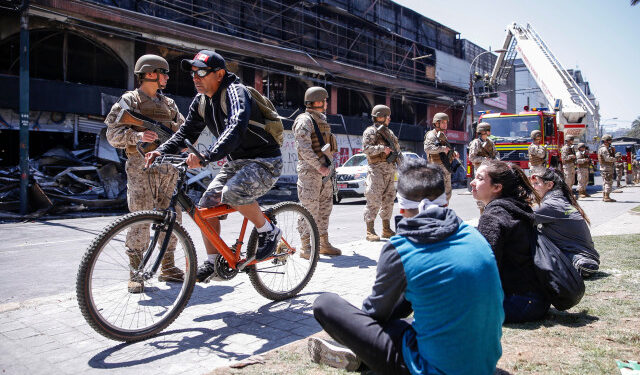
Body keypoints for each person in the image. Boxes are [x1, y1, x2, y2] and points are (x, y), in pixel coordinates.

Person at [311, 158, 504, 374]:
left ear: (401, 208)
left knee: (325, 304)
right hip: (484, 365)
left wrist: (359, 334)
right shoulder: (473, 235)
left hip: (433, 369)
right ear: (446, 202)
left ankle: (361, 357)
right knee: (401, 324)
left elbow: (375, 314)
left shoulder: (401, 247)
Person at [145, 50, 284, 282]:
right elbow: (186, 132)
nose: (195, 78)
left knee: (233, 192)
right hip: (236, 163)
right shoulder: (201, 102)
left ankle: (268, 231)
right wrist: (161, 150)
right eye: (193, 73)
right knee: (206, 205)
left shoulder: (235, 93)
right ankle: (212, 261)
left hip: (265, 160)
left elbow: (236, 126)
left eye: (201, 72)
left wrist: (206, 155)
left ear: (219, 74)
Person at [105, 54, 186, 293]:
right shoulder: (129, 101)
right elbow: (112, 135)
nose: (167, 78)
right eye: (164, 73)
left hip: (168, 168)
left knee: (171, 218)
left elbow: (181, 131)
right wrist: (137, 136)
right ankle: (136, 271)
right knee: (140, 218)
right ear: (150, 73)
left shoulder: (169, 104)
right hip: (141, 169)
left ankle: (168, 267)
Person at [472, 159, 549, 323]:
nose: (472, 182)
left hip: (518, 302)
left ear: (497, 187)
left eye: (479, 178)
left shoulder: (494, 216)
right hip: (536, 300)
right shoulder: (516, 207)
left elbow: (485, 264)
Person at [292, 86, 341, 257]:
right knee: (309, 208)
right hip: (310, 172)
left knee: (324, 209)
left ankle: (322, 243)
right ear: (318, 101)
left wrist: (327, 167)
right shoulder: (304, 120)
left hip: (324, 172)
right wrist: (318, 166)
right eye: (325, 100)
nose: (327, 103)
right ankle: (306, 247)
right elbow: (303, 148)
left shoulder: (321, 120)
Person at [531, 169, 600, 277]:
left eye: (536, 184)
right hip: (587, 253)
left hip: (579, 255)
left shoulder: (551, 204)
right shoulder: (559, 200)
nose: (533, 188)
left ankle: (579, 263)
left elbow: (520, 218)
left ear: (549, 185)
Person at [362, 105, 402, 241]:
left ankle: (386, 229)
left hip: (390, 171)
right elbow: (366, 149)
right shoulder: (370, 131)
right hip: (376, 171)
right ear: (380, 116)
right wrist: (381, 149)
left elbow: (397, 151)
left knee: (389, 200)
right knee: (373, 199)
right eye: (387, 116)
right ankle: (370, 231)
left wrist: (404, 167)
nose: (389, 118)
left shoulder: (389, 133)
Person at [423, 112, 458, 203]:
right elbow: (427, 148)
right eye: (443, 122)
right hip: (436, 170)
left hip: (445, 169)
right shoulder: (432, 135)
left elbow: (446, 150)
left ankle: (443, 214)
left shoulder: (442, 136)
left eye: (446, 123)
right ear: (436, 123)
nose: (445, 125)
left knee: (447, 196)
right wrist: (442, 149)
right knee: (437, 196)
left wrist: (453, 153)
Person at [468, 122, 498, 212]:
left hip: (490, 170)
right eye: (488, 130)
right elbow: (472, 157)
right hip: (479, 171)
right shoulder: (476, 143)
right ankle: (482, 214)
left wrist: (496, 160)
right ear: (483, 131)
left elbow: (496, 154)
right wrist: (484, 159)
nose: (489, 132)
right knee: (480, 192)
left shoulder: (490, 142)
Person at [597, 134, 617, 202]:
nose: (611, 141)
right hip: (606, 168)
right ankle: (606, 197)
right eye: (610, 140)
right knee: (608, 182)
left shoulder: (606, 148)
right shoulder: (604, 149)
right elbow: (607, 158)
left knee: (606, 182)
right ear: (606, 141)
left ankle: (605, 196)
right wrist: (616, 158)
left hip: (606, 167)